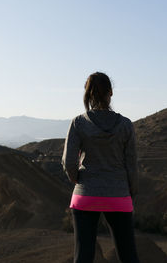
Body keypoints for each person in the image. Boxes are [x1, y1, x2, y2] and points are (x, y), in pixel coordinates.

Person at [62, 72, 140, 263]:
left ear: (88, 94)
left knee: (83, 256)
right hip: (118, 195)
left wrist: (76, 179)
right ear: (110, 92)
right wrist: (129, 190)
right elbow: (131, 164)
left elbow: (68, 161)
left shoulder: (79, 123)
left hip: (86, 194)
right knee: (129, 255)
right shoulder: (125, 125)